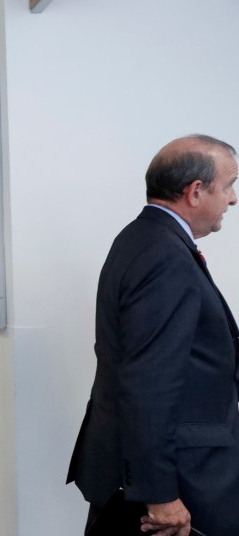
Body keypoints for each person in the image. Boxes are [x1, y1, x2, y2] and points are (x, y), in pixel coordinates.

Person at [67, 135, 239, 536]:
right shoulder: (164, 255)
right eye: (229, 185)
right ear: (195, 192)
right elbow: (149, 383)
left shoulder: (142, 237)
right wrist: (160, 494)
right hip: (179, 473)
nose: (233, 199)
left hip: (149, 459)